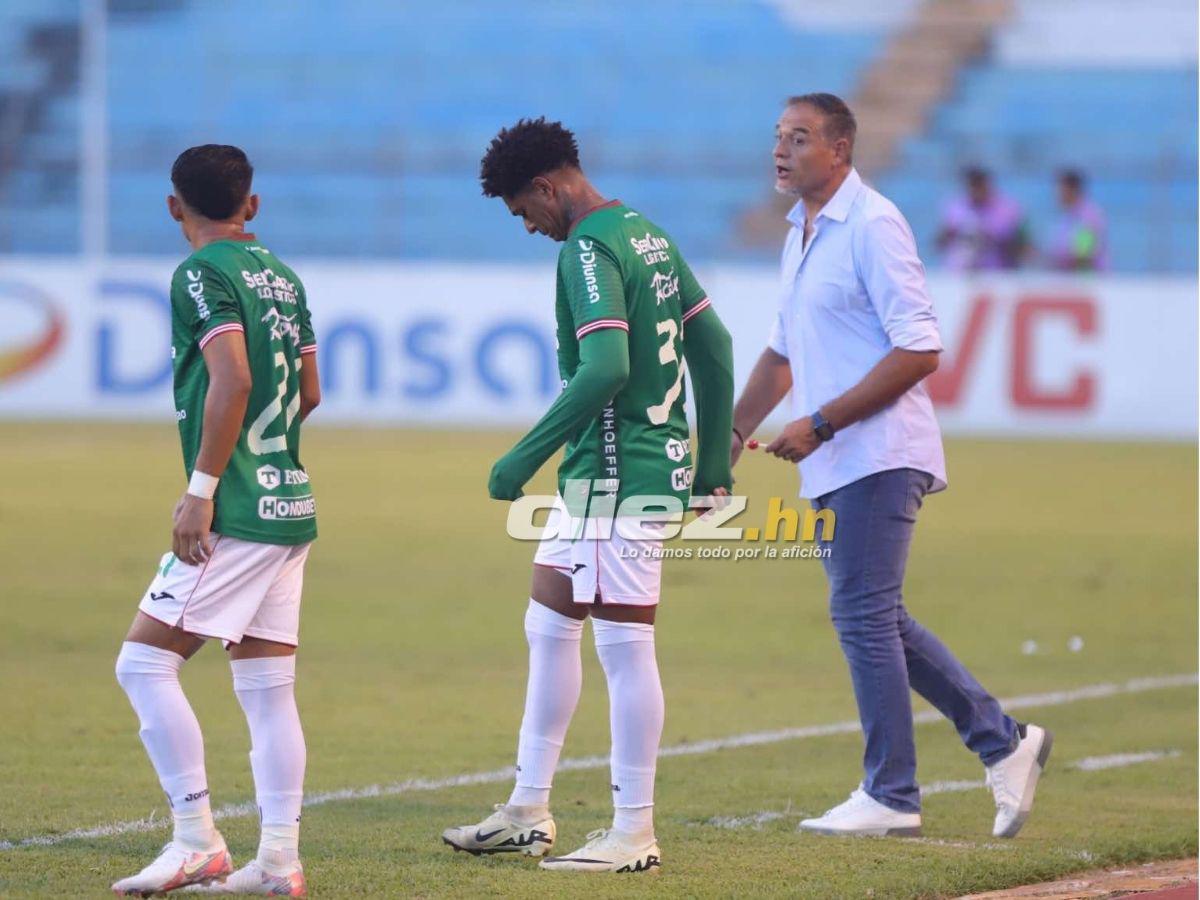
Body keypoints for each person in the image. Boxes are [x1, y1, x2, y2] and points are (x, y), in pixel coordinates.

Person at [731, 94, 1052, 839]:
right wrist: (734, 430)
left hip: (876, 452)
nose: (781, 150)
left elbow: (920, 348)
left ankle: (892, 793)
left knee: (862, 614)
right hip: (837, 458)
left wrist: (820, 421)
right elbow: (781, 354)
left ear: (840, 149)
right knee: (878, 616)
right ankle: (1003, 741)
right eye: (777, 136)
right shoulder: (800, 234)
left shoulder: (873, 225)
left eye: (800, 138)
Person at [440, 118, 734, 874]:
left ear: (546, 188)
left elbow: (604, 366)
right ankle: (529, 809)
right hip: (615, 473)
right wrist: (709, 468)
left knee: (625, 645)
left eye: (522, 212)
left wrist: (521, 458)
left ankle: (634, 831)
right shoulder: (645, 233)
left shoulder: (589, 247)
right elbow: (715, 344)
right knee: (549, 622)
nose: (529, 228)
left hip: (617, 474)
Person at [111, 145, 318, 897]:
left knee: (143, 663)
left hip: (235, 506)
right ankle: (280, 863)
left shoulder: (200, 273)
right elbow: (310, 391)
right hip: (289, 501)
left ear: (174, 206)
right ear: (251, 205)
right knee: (266, 686)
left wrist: (202, 488)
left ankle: (197, 839)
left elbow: (233, 375)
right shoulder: (285, 279)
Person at [936, 166, 1029, 270]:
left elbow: (1023, 247)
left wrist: (990, 239)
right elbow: (939, 243)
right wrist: (954, 235)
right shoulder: (956, 208)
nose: (977, 191)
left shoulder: (1007, 209)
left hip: (997, 272)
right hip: (961, 272)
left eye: (979, 185)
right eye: (973, 185)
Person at [1047, 168, 1108, 271]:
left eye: (1061, 189)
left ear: (1072, 189)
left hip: (1085, 280)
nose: (1057, 194)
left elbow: (1084, 253)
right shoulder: (1067, 217)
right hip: (1070, 279)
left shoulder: (1088, 216)